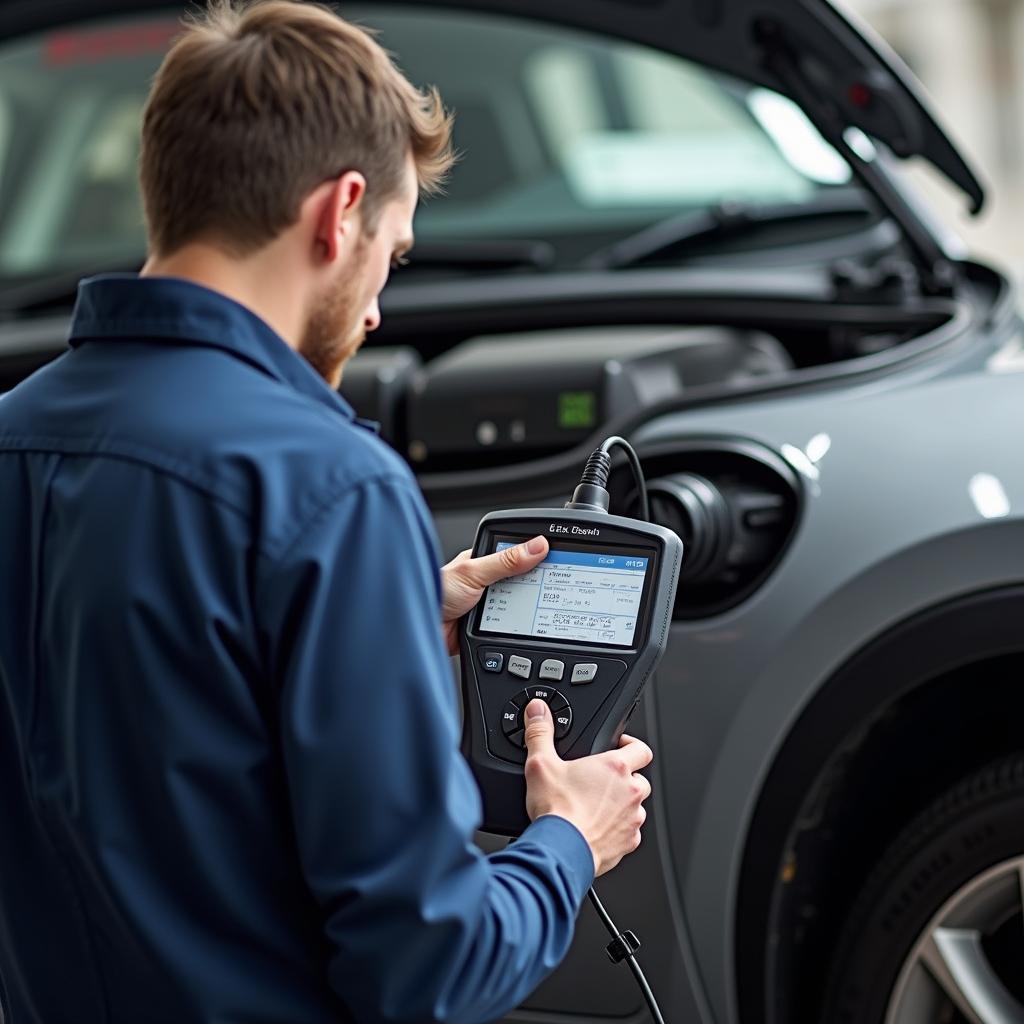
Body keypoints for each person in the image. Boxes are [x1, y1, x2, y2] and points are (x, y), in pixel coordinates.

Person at [0, 2, 653, 1021]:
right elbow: (426, 966)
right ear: (339, 210)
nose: (379, 306)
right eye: (391, 254)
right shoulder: (329, 490)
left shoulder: (13, 440)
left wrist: (384, 614)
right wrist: (569, 841)